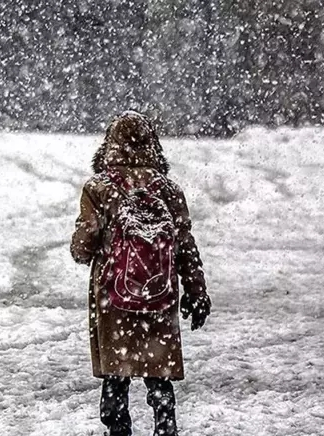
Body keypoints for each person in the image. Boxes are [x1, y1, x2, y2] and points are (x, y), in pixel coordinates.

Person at [70, 111, 211, 436]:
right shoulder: (169, 190)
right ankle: (165, 426)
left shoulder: (98, 188)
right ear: (153, 145)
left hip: (113, 296)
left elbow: (84, 245)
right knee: (158, 371)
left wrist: (84, 246)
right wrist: (196, 291)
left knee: (115, 374)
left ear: (109, 146)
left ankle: (117, 429)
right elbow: (185, 246)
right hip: (159, 296)